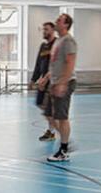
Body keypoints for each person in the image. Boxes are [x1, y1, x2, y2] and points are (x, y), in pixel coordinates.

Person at [37, 13, 77, 162]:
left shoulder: (68, 41)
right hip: (54, 82)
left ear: (66, 25)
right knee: (49, 114)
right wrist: (46, 78)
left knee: (62, 117)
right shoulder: (58, 41)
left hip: (64, 83)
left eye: (59, 20)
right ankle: (65, 141)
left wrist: (63, 83)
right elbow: (54, 65)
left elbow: (70, 63)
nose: (56, 21)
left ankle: (64, 150)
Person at [30, 22, 57, 142]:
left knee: (49, 109)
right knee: (40, 103)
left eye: (46, 29)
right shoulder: (43, 46)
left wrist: (47, 78)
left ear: (53, 30)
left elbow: (56, 65)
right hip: (42, 81)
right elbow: (38, 64)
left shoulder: (57, 44)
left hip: (53, 81)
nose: (44, 32)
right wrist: (33, 79)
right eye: (43, 30)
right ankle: (52, 126)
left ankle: (52, 131)